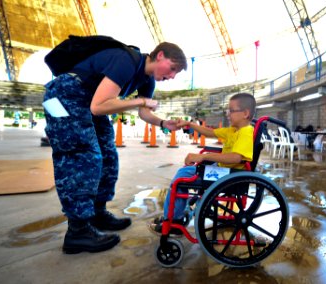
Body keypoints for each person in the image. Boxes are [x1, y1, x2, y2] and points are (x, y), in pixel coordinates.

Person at [43, 41, 187, 254]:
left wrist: (164, 124)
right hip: (61, 96)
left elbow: (144, 112)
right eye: (173, 68)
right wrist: (139, 102)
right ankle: (78, 230)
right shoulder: (126, 60)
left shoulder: (147, 80)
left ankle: (97, 214)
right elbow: (99, 106)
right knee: (80, 155)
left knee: (108, 155)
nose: (172, 76)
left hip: (86, 100)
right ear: (160, 56)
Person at [150, 93, 256, 234]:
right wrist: (189, 124)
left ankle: (174, 220)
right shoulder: (233, 130)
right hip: (224, 172)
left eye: (231, 110)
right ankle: (174, 216)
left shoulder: (245, 132)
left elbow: (236, 158)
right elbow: (209, 132)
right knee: (184, 173)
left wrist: (204, 157)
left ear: (245, 113)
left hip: (229, 176)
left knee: (181, 179)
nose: (228, 114)